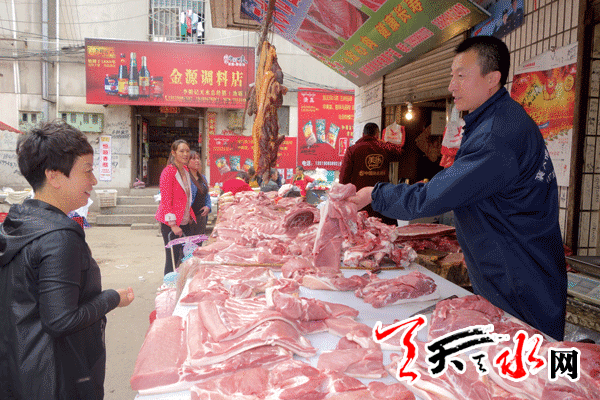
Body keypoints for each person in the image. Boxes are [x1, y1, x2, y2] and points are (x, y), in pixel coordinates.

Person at [349, 36, 567, 341]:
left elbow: (433, 197)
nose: (452, 86)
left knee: (522, 359)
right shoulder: (497, 121)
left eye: (461, 76)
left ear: (492, 79)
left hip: (519, 280)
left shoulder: (496, 135)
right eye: (452, 75)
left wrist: (374, 194)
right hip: (518, 269)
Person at [0, 120, 135, 399]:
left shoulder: (19, 220)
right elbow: (61, 320)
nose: (94, 181)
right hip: (55, 378)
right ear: (54, 176)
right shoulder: (59, 237)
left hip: (20, 368)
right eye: (87, 171)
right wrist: (112, 298)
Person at [339, 122, 403, 225]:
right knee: (384, 231)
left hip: (360, 202)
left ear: (363, 134)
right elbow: (399, 151)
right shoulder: (384, 147)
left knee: (361, 231)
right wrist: (383, 142)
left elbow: (343, 179)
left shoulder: (352, 150)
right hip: (381, 200)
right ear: (377, 134)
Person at [155, 139, 198, 275]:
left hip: (184, 219)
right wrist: (173, 225)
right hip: (171, 223)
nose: (185, 154)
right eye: (181, 151)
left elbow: (187, 195)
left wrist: (189, 214)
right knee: (172, 258)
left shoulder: (185, 170)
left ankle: (181, 281)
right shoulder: (168, 172)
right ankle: (169, 284)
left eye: (187, 151)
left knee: (184, 256)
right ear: (173, 153)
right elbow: (166, 200)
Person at [188, 150, 211, 236]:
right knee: (188, 242)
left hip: (201, 217)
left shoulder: (203, 177)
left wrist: (208, 206)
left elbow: (206, 195)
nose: (197, 161)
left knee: (199, 241)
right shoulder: (185, 178)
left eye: (198, 158)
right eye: (193, 159)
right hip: (189, 218)